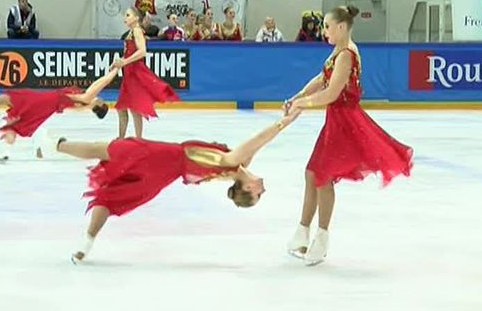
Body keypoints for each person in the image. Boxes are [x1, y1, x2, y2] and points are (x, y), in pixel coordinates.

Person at [34, 108, 301, 263]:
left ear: (247, 190)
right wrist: (285, 120)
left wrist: (284, 122)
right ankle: (86, 244)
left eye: (257, 196)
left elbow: (257, 139)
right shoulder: (236, 166)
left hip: (161, 157)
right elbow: (259, 144)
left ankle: (54, 146)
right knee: (112, 194)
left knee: (104, 149)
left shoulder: (232, 162)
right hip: (162, 174)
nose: (262, 190)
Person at [284, 5, 413, 266]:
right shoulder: (338, 51)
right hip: (335, 121)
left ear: (341, 28)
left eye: (328, 27)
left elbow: (331, 94)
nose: (324, 31)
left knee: (322, 176)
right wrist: (298, 96)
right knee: (313, 174)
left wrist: (302, 105)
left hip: (345, 123)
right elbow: (322, 78)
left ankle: (320, 238)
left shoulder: (346, 54)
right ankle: (302, 233)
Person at [0, 67, 119, 161]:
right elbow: (98, 83)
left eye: (101, 99)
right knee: (15, 118)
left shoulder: (86, 100)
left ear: (100, 104)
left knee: (10, 98)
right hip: (45, 104)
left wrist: (116, 69)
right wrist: (113, 69)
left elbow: (101, 83)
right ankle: (7, 152)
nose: (100, 96)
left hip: (44, 101)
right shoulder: (85, 103)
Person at [111, 8, 180, 139]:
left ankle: (135, 139)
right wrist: (118, 63)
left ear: (136, 18)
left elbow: (142, 51)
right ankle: (126, 138)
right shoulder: (131, 32)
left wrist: (125, 61)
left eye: (128, 15)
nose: (124, 18)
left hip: (135, 72)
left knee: (132, 108)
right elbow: (129, 52)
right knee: (125, 107)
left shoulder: (137, 31)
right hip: (129, 72)